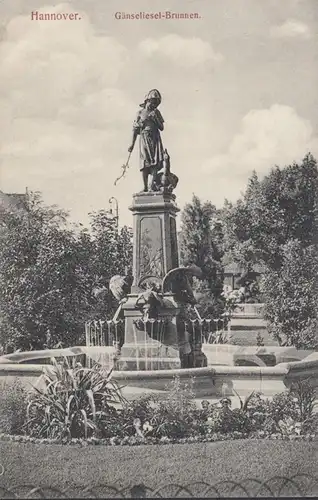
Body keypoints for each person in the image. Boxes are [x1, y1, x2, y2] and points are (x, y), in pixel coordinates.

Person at [128, 89, 165, 192]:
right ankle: (144, 187)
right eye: (152, 102)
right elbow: (135, 130)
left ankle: (151, 186)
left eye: (155, 103)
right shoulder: (139, 113)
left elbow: (161, 127)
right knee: (144, 162)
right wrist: (131, 144)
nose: (153, 104)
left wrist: (155, 119)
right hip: (144, 138)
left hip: (155, 138)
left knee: (154, 162)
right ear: (147, 101)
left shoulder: (156, 113)